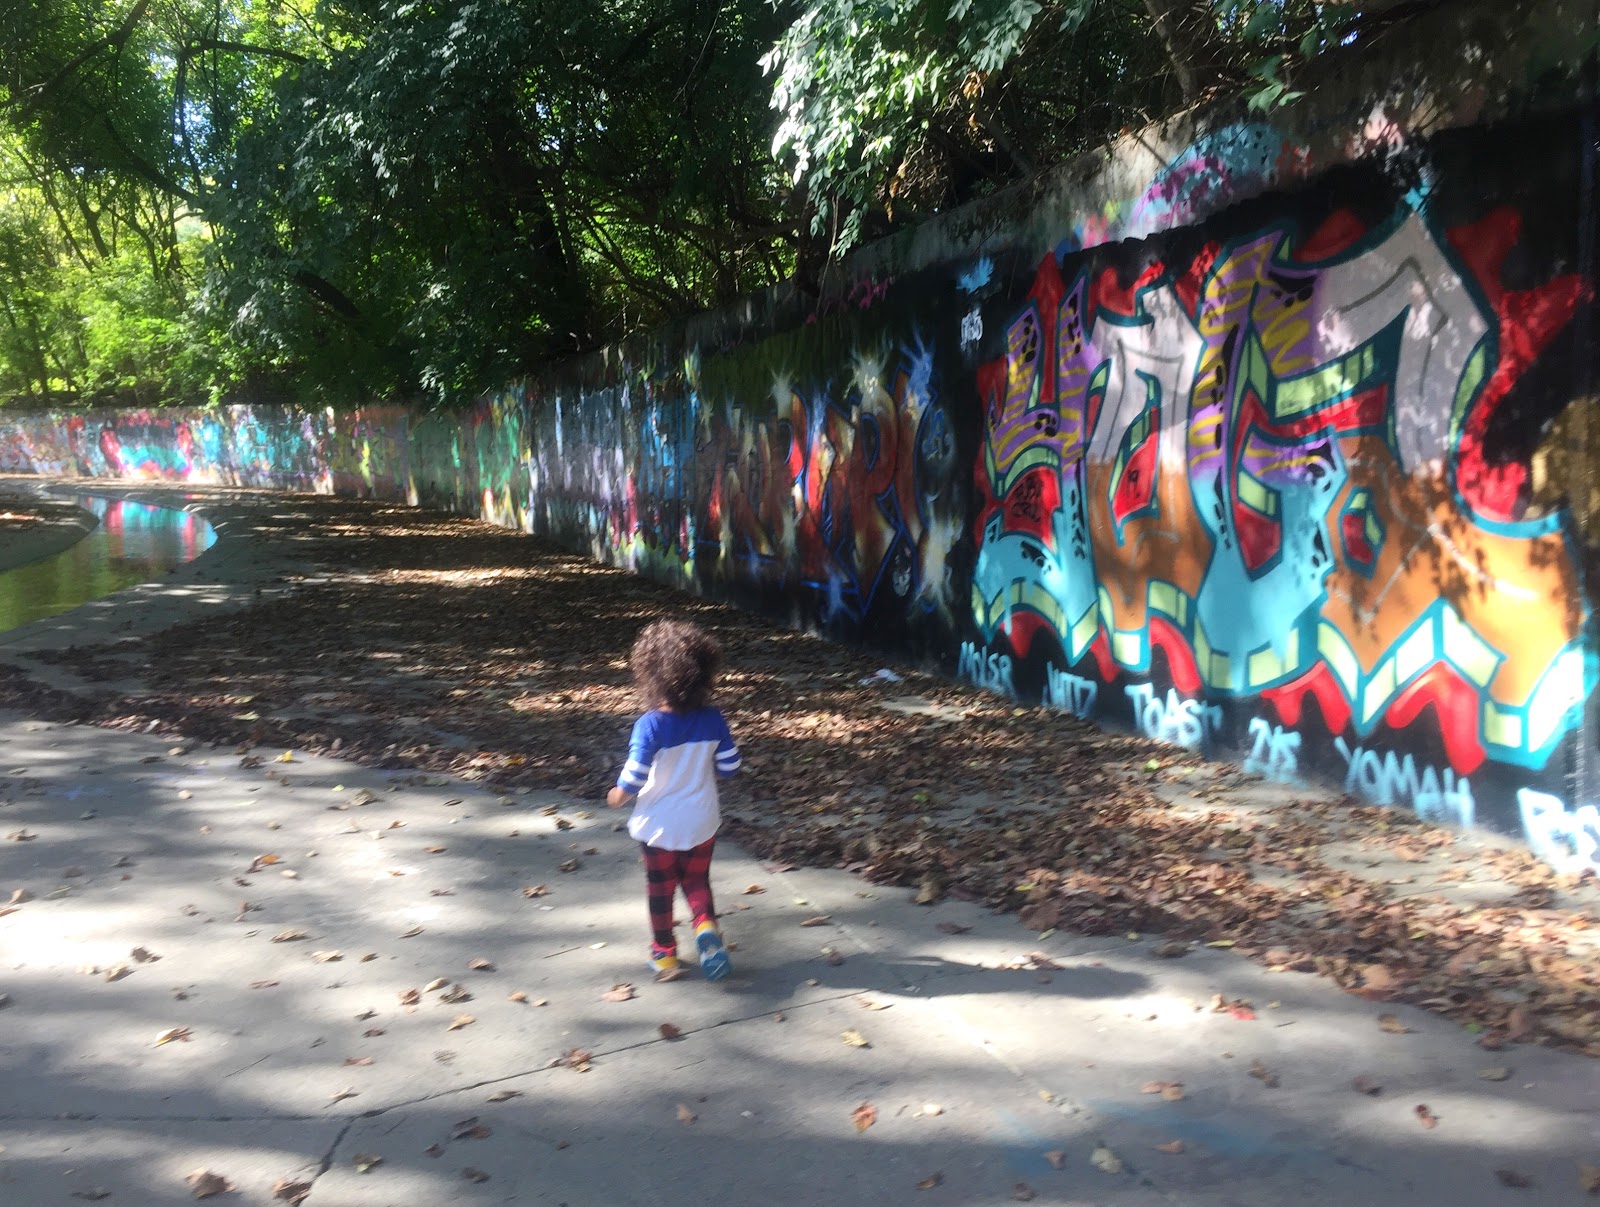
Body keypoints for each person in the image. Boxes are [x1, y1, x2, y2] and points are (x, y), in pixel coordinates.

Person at [607, 619, 740, 981]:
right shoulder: (714, 719)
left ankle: (664, 953)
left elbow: (633, 776)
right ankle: (705, 929)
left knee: (660, 889)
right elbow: (730, 766)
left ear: (651, 676)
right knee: (697, 880)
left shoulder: (649, 725)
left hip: (659, 825)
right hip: (701, 820)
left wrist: (617, 796)